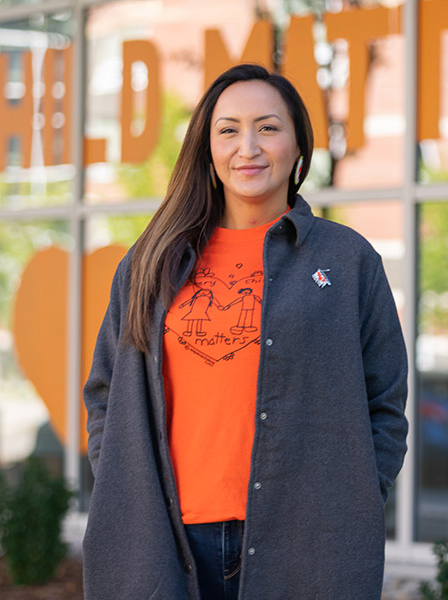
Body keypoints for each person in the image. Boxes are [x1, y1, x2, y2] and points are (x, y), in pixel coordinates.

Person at [82, 63, 408, 600]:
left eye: (268, 127)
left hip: (305, 540)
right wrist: (125, 484)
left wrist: (353, 498)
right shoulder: (151, 262)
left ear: (299, 145)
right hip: (167, 539)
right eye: (228, 130)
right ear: (207, 150)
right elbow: (105, 393)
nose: (248, 147)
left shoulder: (347, 260)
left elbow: (386, 401)